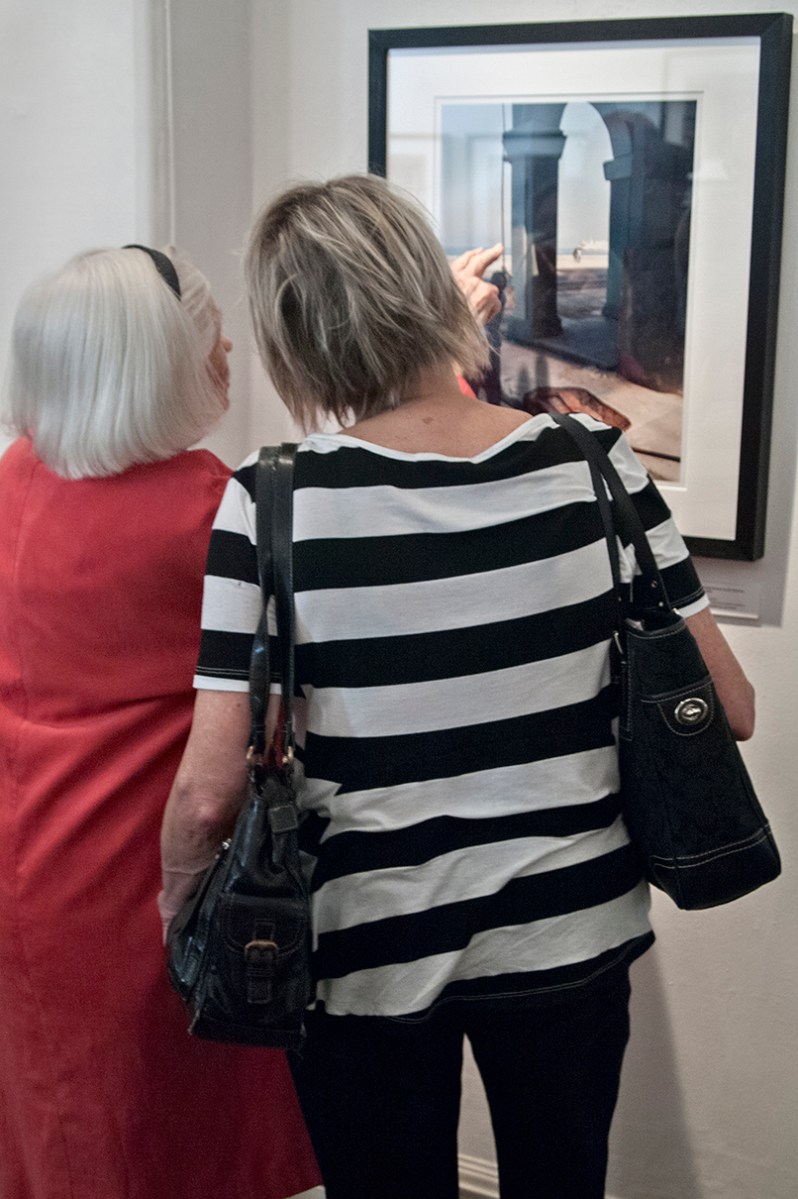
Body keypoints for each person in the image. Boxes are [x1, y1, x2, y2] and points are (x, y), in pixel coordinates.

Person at [160, 176, 755, 1199]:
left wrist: (177, 904)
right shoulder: (597, 461)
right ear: (428, 295)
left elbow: (211, 792)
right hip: (575, 928)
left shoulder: (272, 498)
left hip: (367, 946)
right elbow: (728, 707)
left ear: (294, 333)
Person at [0, 245, 320, 1199]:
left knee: (61, 1128)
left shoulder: (14, 479)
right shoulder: (210, 508)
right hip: (138, 878)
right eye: (204, 332)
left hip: (26, 867)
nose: (227, 344)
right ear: (150, 363)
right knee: (165, 1142)